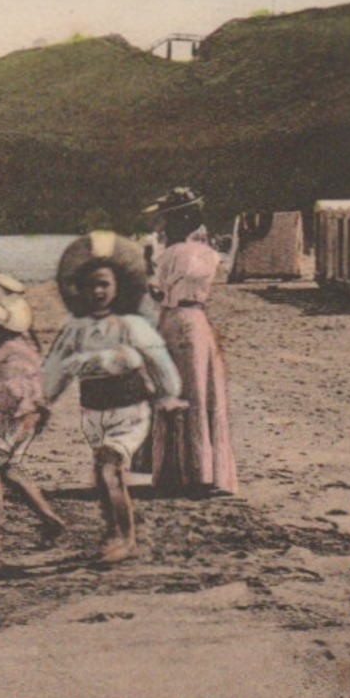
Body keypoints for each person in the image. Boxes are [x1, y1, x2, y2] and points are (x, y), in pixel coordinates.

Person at [43, 232, 183, 564]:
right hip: (93, 410)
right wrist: (43, 401)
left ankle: (125, 537)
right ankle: (113, 529)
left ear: (118, 285)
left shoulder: (131, 325)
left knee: (110, 469)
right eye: (91, 285)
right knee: (102, 474)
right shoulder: (76, 329)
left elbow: (158, 361)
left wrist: (168, 396)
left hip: (129, 409)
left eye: (104, 284)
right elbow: (55, 369)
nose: (98, 292)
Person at [0, 266, 66, 553]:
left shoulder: (0, 346)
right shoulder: (24, 343)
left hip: (6, 413)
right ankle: (43, 520)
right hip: (25, 413)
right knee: (6, 468)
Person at [144, 188, 237, 497]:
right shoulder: (209, 254)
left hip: (173, 320)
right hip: (198, 321)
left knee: (176, 390)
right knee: (201, 389)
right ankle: (206, 470)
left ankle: (178, 471)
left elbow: (158, 292)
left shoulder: (170, 255)